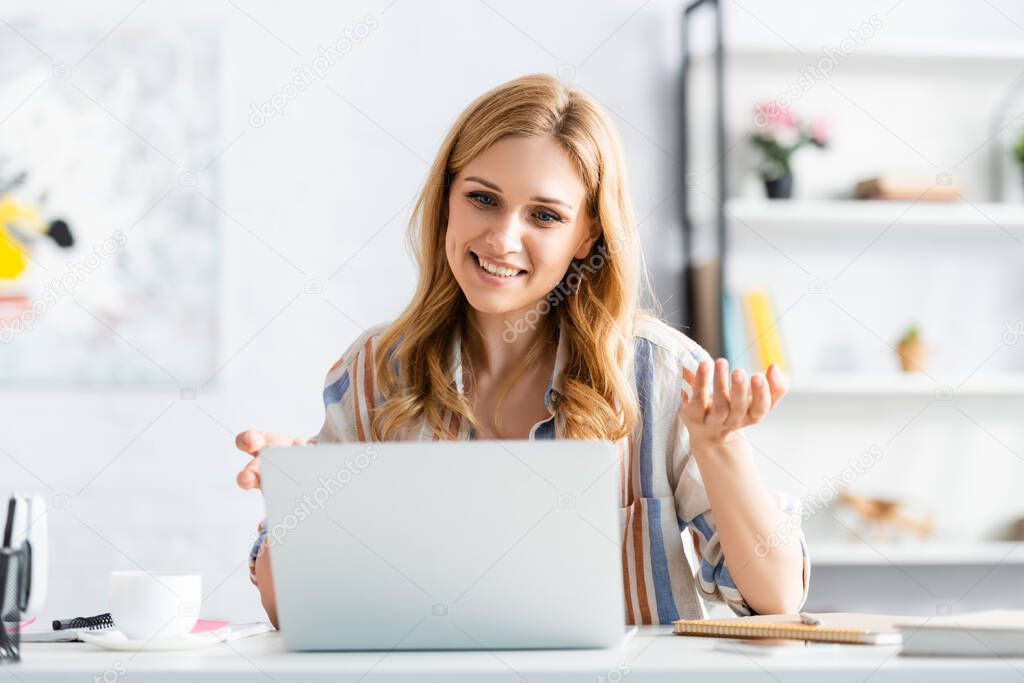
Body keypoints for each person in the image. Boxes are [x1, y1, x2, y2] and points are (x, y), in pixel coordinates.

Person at [235, 74, 808, 629]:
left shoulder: (660, 372)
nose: (502, 239)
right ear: (447, 203)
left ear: (588, 236)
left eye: (545, 215)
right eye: (483, 199)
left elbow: (776, 598)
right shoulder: (374, 372)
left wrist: (718, 445)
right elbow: (295, 611)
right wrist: (298, 504)